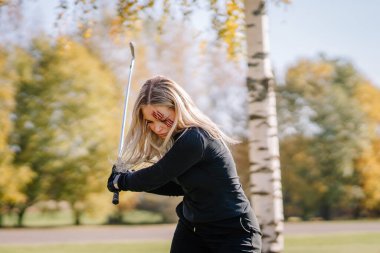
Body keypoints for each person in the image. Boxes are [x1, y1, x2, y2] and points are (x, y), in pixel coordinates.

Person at [107, 76, 262, 253]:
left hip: (233, 234)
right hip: (193, 231)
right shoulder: (177, 141)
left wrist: (123, 180)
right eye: (150, 122)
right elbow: (175, 186)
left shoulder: (196, 138)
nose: (157, 128)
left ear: (178, 108)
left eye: (162, 118)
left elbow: (157, 175)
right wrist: (127, 176)